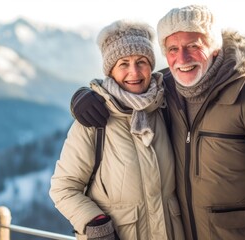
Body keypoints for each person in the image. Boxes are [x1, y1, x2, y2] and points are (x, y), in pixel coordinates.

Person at [69, 5, 245, 240]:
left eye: (193, 46)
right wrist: (83, 97)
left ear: (215, 47)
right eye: (172, 49)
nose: (182, 58)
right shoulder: (167, 91)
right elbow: (129, 87)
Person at [49, 20, 185, 240]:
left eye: (141, 61)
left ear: (151, 65)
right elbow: (63, 188)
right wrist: (96, 224)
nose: (134, 71)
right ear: (110, 70)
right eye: (123, 63)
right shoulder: (94, 120)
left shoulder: (166, 107)